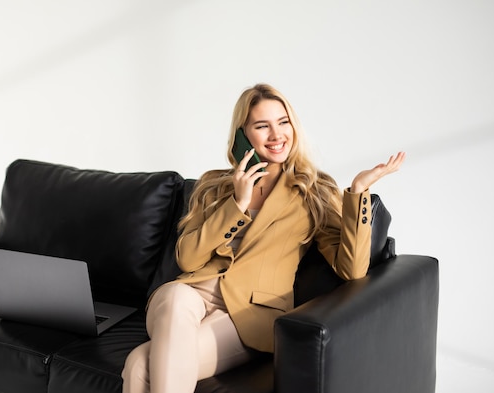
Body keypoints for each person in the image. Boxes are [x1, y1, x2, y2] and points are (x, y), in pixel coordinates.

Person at [121, 83, 406, 393]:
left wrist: (358, 192)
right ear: (243, 135)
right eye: (262, 126)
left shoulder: (312, 190)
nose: (276, 135)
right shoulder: (214, 185)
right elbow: (188, 259)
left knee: (139, 365)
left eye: (283, 122)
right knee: (175, 297)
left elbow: (351, 270)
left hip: (250, 313)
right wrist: (237, 204)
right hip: (191, 297)